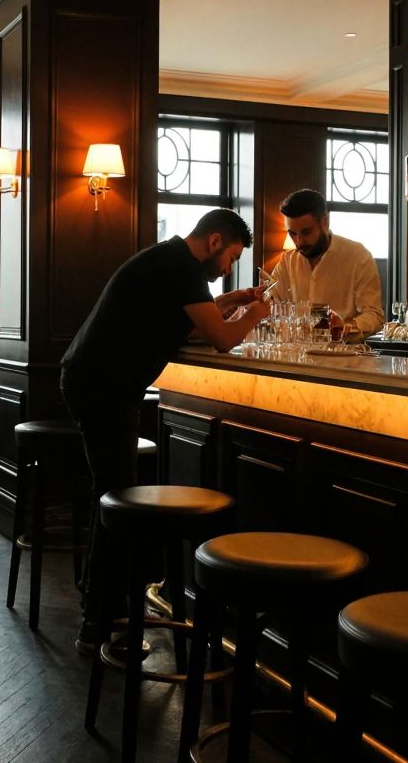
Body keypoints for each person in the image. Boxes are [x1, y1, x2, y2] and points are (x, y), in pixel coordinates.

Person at [60, 208, 269, 652]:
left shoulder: (171, 260)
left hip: (94, 381)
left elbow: (194, 320)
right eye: (230, 258)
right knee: (117, 499)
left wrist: (235, 301)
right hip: (104, 387)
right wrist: (260, 311)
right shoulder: (182, 267)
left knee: (112, 496)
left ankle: (98, 609)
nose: (228, 268)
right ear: (214, 242)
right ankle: (101, 624)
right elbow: (221, 338)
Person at [268, 188, 385, 336]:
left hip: (344, 355)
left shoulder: (358, 257)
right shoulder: (287, 262)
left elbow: (374, 315)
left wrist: (345, 327)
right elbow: (271, 306)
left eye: (306, 232)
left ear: (325, 222)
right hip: (296, 355)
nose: (299, 242)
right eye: (292, 233)